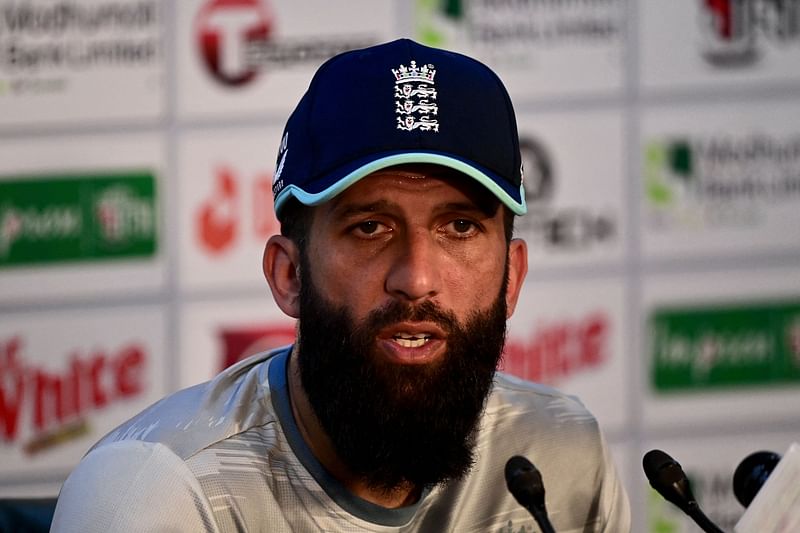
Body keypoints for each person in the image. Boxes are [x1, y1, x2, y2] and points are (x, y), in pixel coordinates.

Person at [51, 39, 630, 532]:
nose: (417, 278)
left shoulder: (560, 455)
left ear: (512, 277)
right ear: (289, 274)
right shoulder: (156, 494)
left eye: (459, 227)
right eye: (370, 227)